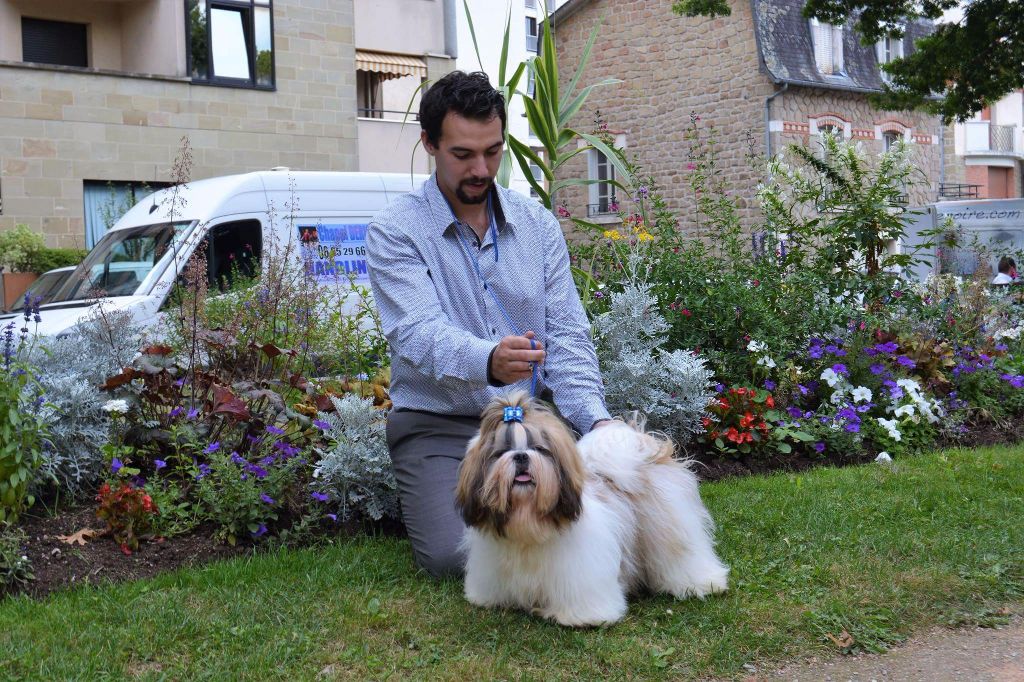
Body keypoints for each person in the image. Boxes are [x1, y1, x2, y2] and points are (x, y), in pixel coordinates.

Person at [365, 71, 612, 578]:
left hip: (528, 421)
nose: (481, 169)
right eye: (463, 155)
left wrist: (595, 420)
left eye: (493, 152)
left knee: (592, 525)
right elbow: (417, 335)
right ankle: (438, 491)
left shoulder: (537, 224)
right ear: (430, 143)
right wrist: (488, 362)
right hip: (438, 422)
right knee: (452, 558)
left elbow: (567, 332)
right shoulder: (395, 231)